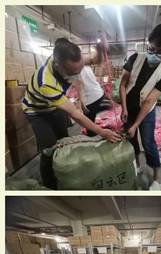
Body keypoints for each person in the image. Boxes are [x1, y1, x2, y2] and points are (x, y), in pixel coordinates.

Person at [22, 38, 121, 189]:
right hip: (37, 111)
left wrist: (101, 49)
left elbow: (95, 60)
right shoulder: (46, 82)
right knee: (49, 149)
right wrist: (101, 132)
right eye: (73, 73)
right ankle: (50, 186)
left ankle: (65, 173)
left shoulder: (72, 61)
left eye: (80, 69)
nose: (77, 75)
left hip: (54, 106)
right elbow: (75, 114)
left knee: (64, 142)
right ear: (58, 66)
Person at [120, 23, 161, 190]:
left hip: (146, 112)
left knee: (148, 143)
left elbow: (149, 101)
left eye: (160, 51)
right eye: (151, 48)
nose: (153, 54)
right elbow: (123, 84)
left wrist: (136, 124)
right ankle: (137, 165)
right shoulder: (135, 58)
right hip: (128, 108)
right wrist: (124, 108)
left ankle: (157, 177)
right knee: (131, 139)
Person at [73, 65, 108, 136]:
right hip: (99, 94)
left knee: (89, 125)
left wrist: (82, 104)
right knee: (95, 117)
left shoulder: (74, 68)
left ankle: (93, 138)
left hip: (90, 99)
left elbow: (80, 86)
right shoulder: (85, 65)